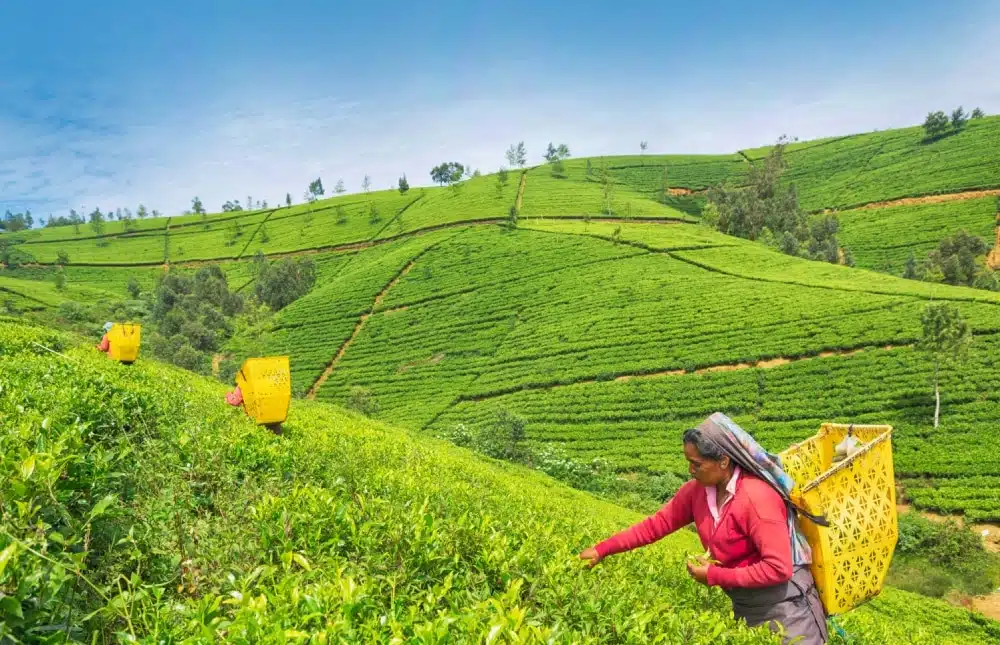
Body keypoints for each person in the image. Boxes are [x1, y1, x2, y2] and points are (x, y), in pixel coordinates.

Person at [579, 412, 829, 645]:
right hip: (745, 605)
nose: (690, 470)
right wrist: (602, 550)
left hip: (788, 610)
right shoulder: (696, 492)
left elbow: (778, 569)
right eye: (688, 462)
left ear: (723, 461)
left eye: (696, 464)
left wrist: (713, 576)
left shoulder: (756, 498)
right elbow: (655, 525)